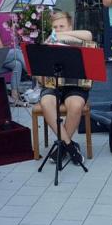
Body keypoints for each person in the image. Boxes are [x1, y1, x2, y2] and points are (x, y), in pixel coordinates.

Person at [37, 11, 93, 166]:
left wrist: (61, 35)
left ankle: (61, 148)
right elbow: (39, 76)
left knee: (75, 105)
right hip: (53, 85)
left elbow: (88, 35)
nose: (59, 29)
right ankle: (69, 146)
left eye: (62, 26)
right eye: (55, 27)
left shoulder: (79, 37)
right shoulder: (48, 41)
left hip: (75, 86)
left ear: (70, 26)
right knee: (47, 102)